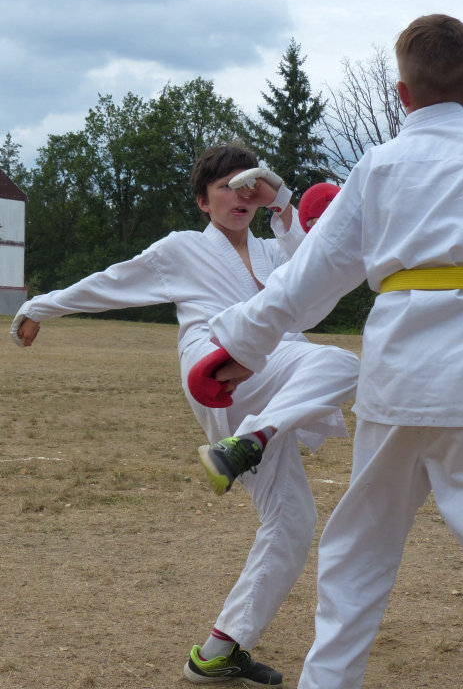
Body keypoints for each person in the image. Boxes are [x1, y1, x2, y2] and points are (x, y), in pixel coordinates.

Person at [194, 16, 463, 689]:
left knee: (357, 558)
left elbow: (311, 275)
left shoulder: (377, 166)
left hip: (400, 376)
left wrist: (237, 344)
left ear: (401, 95)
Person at [9, 142, 360, 687]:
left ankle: (218, 651)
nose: (239, 196)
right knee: (340, 361)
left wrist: (282, 202)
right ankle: (249, 439)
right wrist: (38, 305)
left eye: (247, 186)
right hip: (215, 365)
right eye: (225, 187)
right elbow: (112, 282)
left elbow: (318, 272)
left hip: (272, 379)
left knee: (292, 521)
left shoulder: (274, 252)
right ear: (202, 201)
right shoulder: (181, 249)